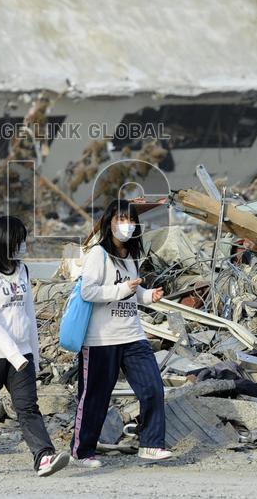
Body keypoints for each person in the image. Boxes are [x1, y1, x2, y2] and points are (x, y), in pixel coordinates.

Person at [0, 216, 70, 477]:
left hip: (21, 353)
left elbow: (28, 314)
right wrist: (13, 355)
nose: (23, 245)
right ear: (3, 242)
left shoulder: (22, 269)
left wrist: (34, 355)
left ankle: (43, 456)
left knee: (28, 406)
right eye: (18, 240)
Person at [71, 199, 170, 468]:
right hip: (101, 339)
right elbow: (88, 291)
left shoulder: (130, 257)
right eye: (120, 219)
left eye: (130, 220)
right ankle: (82, 451)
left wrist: (148, 295)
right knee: (94, 398)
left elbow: (132, 291)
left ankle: (150, 444)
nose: (126, 225)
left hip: (132, 335)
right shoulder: (97, 255)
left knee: (152, 388)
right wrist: (122, 290)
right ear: (109, 223)